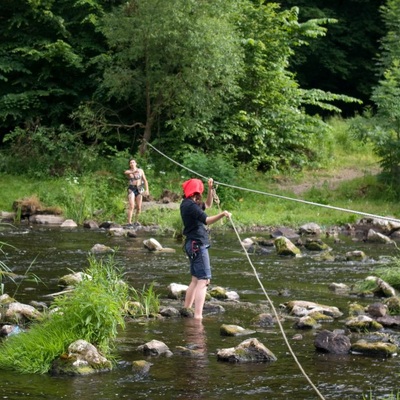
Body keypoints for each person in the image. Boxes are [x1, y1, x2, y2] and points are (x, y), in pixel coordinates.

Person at [180, 177, 231, 319]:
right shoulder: (191, 206)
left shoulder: (187, 204)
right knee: (204, 280)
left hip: (191, 244)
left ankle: (187, 310)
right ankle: (198, 317)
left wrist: (210, 189)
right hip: (197, 244)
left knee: (195, 280)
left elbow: (207, 205)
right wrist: (222, 214)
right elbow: (207, 221)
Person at [124, 159, 149, 226]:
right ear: (129, 164)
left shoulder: (141, 170)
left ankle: (136, 221)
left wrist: (147, 190)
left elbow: (145, 180)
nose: (132, 164)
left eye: (133, 162)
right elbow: (126, 172)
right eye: (131, 163)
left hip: (140, 188)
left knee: (139, 207)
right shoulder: (129, 171)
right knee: (132, 205)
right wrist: (134, 171)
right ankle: (129, 222)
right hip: (132, 188)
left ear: (136, 163)